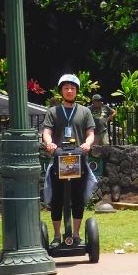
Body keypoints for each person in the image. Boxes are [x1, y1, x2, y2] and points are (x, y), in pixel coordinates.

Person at [41, 74, 96, 248]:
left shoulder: (85, 111)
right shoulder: (53, 111)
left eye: (72, 88)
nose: (70, 91)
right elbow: (47, 132)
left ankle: (77, 235)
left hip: (79, 158)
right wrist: (49, 143)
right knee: (57, 199)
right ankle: (57, 236)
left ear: (77, 91)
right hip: (59, 160)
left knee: (77, 198)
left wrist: (87, 144)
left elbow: (91, 133)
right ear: (61, 91)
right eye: (66, 88)